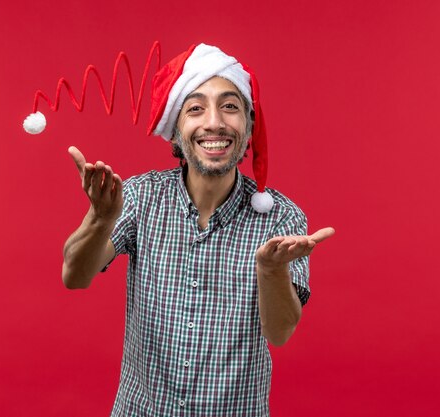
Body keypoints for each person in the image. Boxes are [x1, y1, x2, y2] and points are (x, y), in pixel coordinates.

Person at [62, 43, 335, 416]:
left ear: (249, 128)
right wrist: (101, 219)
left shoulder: (281, 219)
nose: (214, 123)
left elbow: (280, 332)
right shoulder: (141, 197)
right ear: (176, 132)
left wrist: (271, 270)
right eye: (195, 108)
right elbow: (74, 276)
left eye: (229, 106)